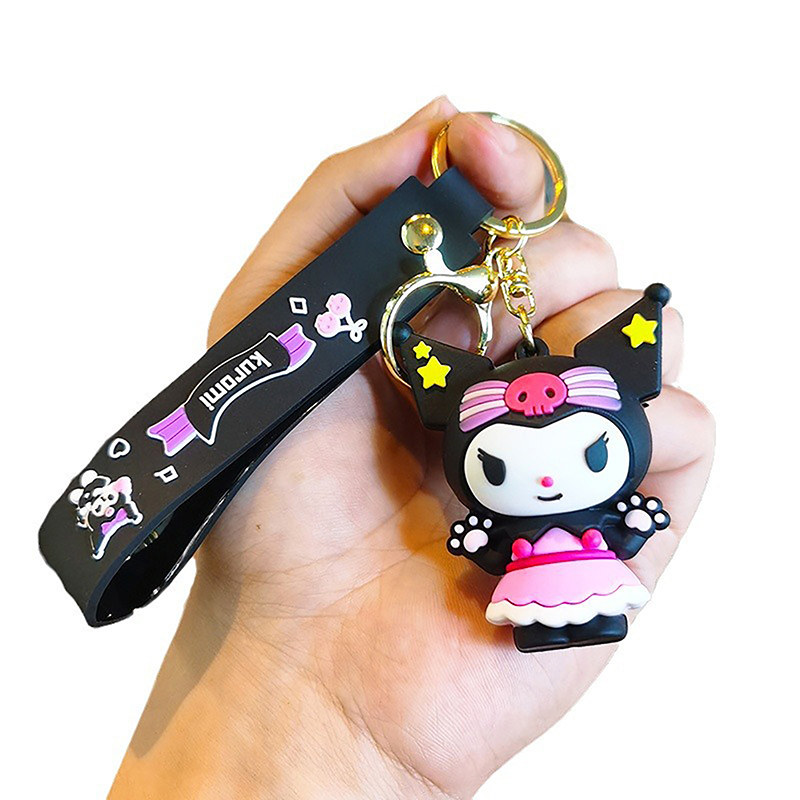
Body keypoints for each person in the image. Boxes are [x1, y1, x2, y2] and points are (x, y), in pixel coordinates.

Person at [109, 98, 715, 799]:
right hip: (517, 584)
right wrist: (289, 682)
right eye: (501, 466)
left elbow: (613, 526)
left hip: (578, 578)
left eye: (590, 458)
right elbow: (497, 547)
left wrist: (629, 520)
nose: (549, 484)